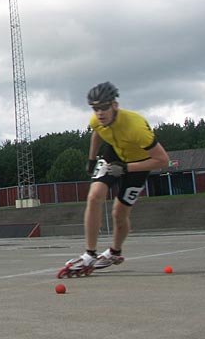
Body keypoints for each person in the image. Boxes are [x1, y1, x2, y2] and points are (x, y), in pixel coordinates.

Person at [68, 81, 170, 272]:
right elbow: (97, 134)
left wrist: (126, 168)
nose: (99, 113)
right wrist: (91, 159)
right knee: (94, 195)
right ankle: (90, 254)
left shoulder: (136, 127)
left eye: (104, 107)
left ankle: (114, 251)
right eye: (95, 108)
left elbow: (163, 161)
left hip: (139, 163)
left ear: (115, 105)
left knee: (119, 212)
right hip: (114, 154)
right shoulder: (96, 120)